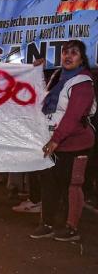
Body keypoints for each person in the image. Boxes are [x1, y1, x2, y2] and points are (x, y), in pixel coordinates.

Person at [30, 40, 96, 241]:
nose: (68, 56)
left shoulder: (83, 83)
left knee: (72, 185)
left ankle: (71, 228)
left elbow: (72, 116)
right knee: (49, 183)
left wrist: (55, 141)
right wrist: (37, 73)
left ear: (81, 58)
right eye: (65, 52)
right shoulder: (59, 77)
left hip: (75, 144)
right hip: (54, 142)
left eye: (74, 53)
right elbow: (42, 100)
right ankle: (47, 224)